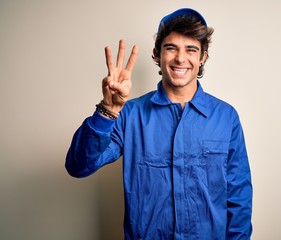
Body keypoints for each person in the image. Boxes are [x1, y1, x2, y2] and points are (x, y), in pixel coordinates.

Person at [66, 8, 253, 239]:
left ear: (203, 57)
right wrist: (108, 111)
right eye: (171, 48)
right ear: (157, 54)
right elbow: (79, 166)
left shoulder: (226, 117)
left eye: (191, 49)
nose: (180, 58)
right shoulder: (130, 114)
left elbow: (239, 197)